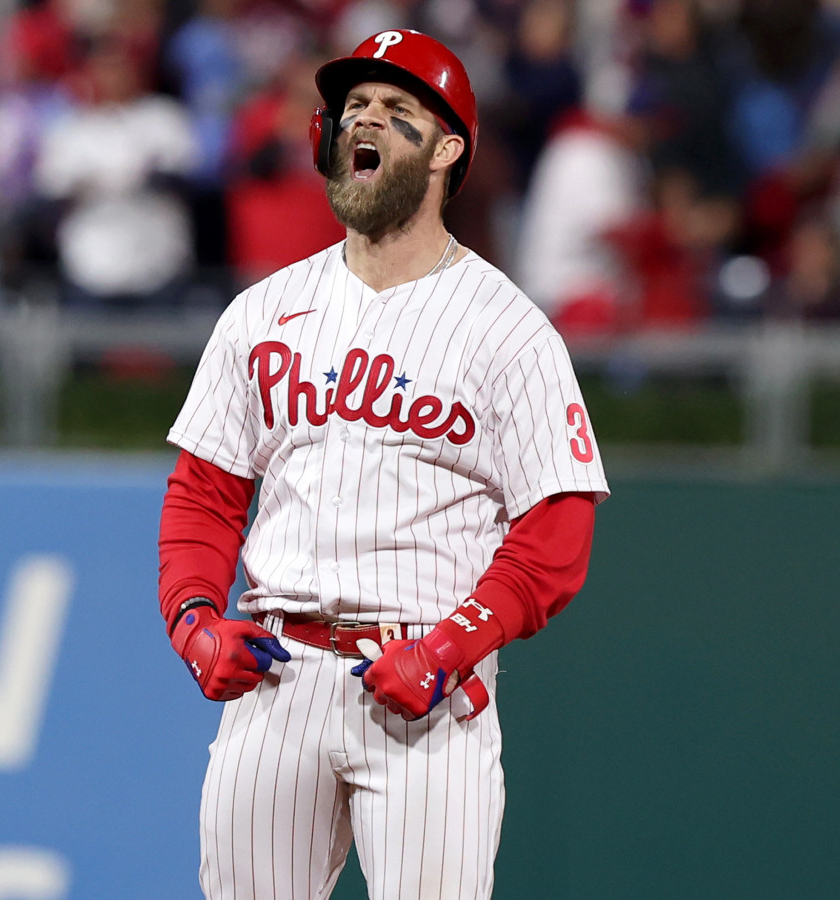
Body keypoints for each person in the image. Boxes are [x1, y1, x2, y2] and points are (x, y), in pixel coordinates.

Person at [157, 29, 609, 900]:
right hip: (276, 679)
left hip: (425, 688)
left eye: (398, 111)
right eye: (355, 107)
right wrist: (194, 623)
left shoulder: (507, 330)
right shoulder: (263, 312)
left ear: (447, 151)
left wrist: (454, 646)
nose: (366, 120)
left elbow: (558, 528)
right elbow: (204, 497)